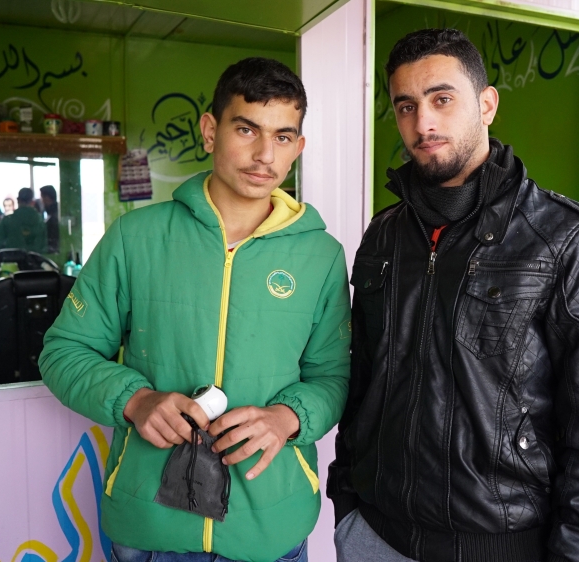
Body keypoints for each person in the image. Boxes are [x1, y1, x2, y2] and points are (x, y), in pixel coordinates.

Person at [328, 29, 579, 562]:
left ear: (487, 104)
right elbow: (363, 380)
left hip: (505, 546)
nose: (423, 123)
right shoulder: (385, 233)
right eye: (406, 106)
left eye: (442, 99)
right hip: (375, 536)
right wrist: (347, 505)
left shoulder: (564, 234)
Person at [39, 57, 351, 562]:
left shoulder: (321, 255)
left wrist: (286, 418)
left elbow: (332, 375)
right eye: (246, 128)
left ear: (299, 147)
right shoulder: (135, 237)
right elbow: (63, 351)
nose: (264, 154)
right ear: (210, 130)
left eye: (283, 136)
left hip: (269, 527)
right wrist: (134, 400)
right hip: (148, 528)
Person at [0, 188, 47, 253]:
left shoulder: (7, 221)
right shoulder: (40, 222)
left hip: (11, 261)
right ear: (33, 202)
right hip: (34, 262)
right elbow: (44, 247)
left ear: (18, 200)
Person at [39, 185, 59, 253]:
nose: (41, 201)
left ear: (47, 198)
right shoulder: (53, 214)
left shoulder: (54, 217)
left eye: (41, 198)